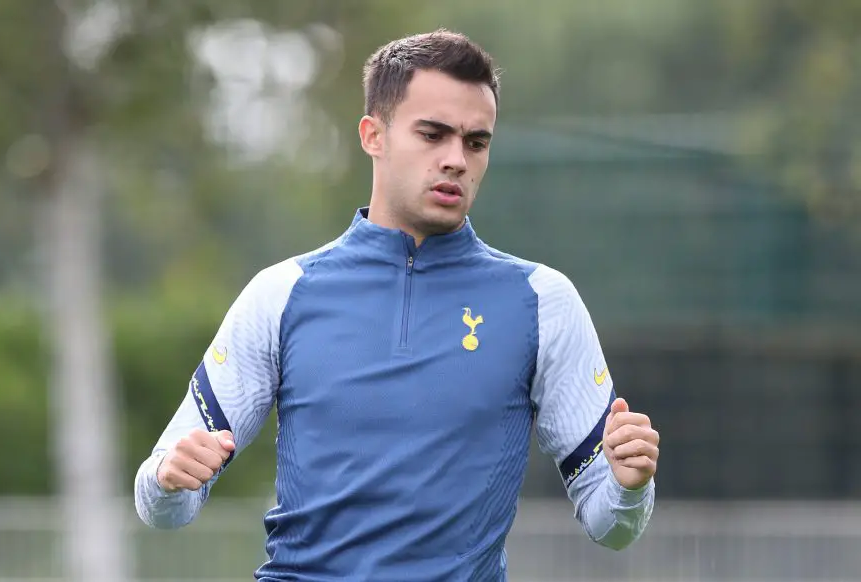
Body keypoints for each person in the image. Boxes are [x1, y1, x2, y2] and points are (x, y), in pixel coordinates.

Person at [135, 29, 659, 580]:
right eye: (432, 134)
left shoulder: (542, 302)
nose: (456, 159)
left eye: (476, 142)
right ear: (373, 135)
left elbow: (613, 527)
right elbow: (163, 505)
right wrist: (170, 479)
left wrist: (630, 486)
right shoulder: (282, 293)